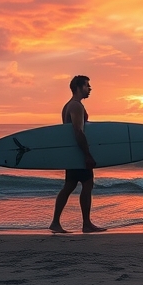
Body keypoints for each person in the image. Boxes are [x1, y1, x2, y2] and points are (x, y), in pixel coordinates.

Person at [50, 75, 106, 234]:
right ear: (78, 87)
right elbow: (78, 131)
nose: (90, 89)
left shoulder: (69, 105)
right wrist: (87, 154)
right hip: (78, 153)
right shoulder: (76, 106)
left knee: (69, 186)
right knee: (87, 184)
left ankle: (55, 223)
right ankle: (86, 224)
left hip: (72, 154)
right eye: (87, 86)